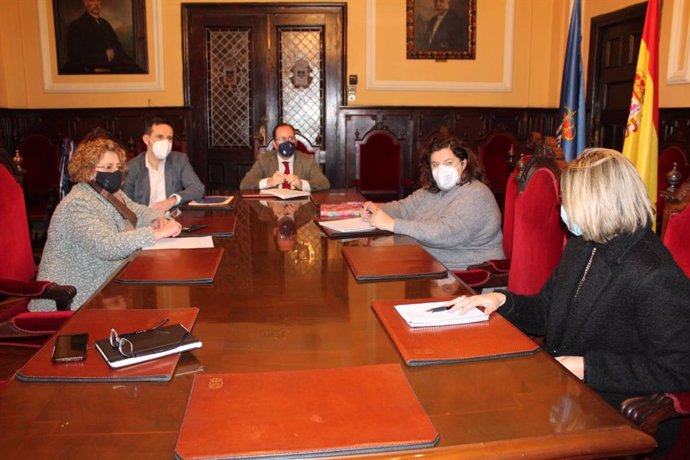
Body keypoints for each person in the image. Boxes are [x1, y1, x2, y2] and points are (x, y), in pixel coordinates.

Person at [449, 148, 690, 453]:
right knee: (471, 406)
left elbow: (678, 369)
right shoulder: (584, 244)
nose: (562, 207)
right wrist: (500, 301)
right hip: (564, 387)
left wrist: (588, 367)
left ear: (597, 203)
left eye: (569, 200)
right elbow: (548, 309)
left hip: (615, 409)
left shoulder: (653, 274)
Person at [30, 137, 182, 312]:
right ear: (88, 171)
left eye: (118, 167)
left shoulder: (109, 193)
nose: (115, 173)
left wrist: (157, 219)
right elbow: (106, 245)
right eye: (108, 167)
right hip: (72, 298)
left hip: (105, 288)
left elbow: (137, 211)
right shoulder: (77, 203)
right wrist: (155, 234)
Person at [362, 137, 504, 270]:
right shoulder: (432, 190)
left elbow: (445, 234)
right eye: (435, 165)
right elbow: (404, 208)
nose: (441, 170)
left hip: (466, 276)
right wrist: (377, 210)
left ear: (464, 163)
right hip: (428, 265)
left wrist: (392, 224)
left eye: (448, 163)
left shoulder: (476, 193)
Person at [123, 118, 205, 211]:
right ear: (146, 139)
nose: (165, 142)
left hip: (173, 219)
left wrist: (172, 200)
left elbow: (198, 189)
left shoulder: (179, 160)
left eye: (169, 138)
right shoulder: (132, 166)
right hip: (143, 221)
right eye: (160, 137)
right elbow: (125, 202)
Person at [239, 123, 330, 191]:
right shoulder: (264, 160)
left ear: (296, 142)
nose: (287, 142)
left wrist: (302, 184)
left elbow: (324, 183)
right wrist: (269, 182)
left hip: (299, 208)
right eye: (282, 139)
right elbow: (245, 184)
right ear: (275, 144)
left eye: (291, 138)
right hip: (272, 210)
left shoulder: (308, 160)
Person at [66, 0, 130, 67]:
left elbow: (119, 48)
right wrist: (105, 55)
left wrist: (114, 53)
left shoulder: (105, 23)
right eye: (92, 0)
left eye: (98, 0)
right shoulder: (76, 26)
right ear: (85, 3)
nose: (96, 3)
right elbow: (77, 56)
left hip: (112, 69)